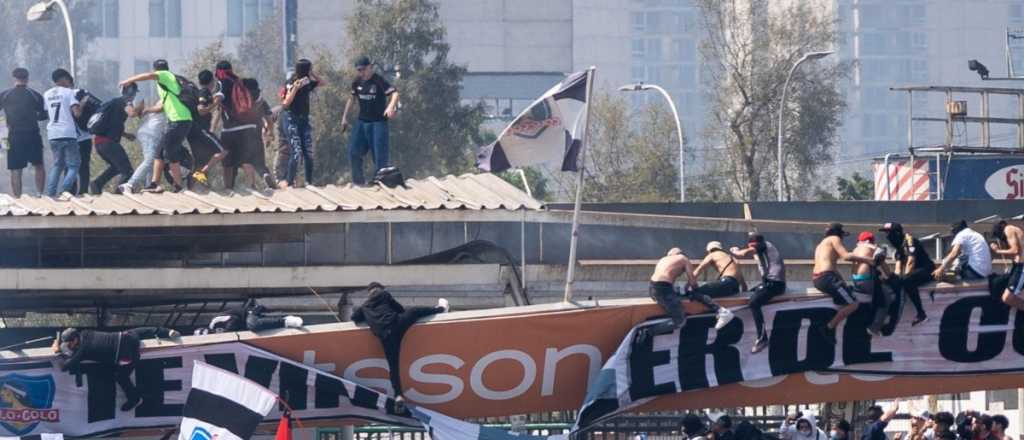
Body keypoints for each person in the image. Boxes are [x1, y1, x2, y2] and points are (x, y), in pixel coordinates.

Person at [352, 282, 448, 409]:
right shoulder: (384, 294)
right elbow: (400, 309)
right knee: (414, 311)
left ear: (369, 292)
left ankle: (398, 395)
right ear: (380, 289)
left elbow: (354, 317)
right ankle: (440, 309)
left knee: (393, 366)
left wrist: (369, 317)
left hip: (385, 336)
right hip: (397, 323)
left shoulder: (364, 307)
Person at [52, 326, 180, 411]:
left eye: (69, 343)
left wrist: (57, 352)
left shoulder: (83, 350)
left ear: (75, 339)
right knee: (137, 331)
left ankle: (134, 398)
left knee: (120, 376)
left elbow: (65, 367)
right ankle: (166, 331)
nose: (68, 346)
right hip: (126, 337)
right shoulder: (86, 333)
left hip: (126, 355)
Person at [118, 60, 192, 193]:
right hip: (179, 121)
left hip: (179, 121)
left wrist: (127, 81)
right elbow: (161, 106)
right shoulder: (167, 86)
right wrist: (146, 110)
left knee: (167, 153)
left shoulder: (165, 76)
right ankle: (155, 184)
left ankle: (176, 186)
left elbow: (147, 75)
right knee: (161, 153)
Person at [643, 248, 735, 342]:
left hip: (652, 288)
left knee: (678, 295)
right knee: (680, 321)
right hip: (663, 290)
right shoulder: (683, 259)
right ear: (680, 253)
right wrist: (696, 292)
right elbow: (692, 280)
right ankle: (648, 332)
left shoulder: (662, 260)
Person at [812, 223, 876, 345]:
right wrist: (868, 260)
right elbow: (846, 256)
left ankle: (839, 301)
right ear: (838, 234)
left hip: (818, 279)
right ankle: (829, 328)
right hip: (826, 277)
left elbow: (833, 269)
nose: (842, 239)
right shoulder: (834, 239)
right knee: (853, 304)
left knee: (847, 296)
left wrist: (843, 284)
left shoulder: (821, 244)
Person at [216, 61, 275, 189]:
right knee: (250, 160)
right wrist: (270, 131)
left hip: (228, 130)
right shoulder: (250, 93)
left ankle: (228, 188)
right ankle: (256, 182)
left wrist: (212, 126)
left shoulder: (226, 86)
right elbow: (269, 117)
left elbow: (220, 108)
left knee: (228, 163)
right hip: (250, 131)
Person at [342, 56, 399, 185]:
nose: (361, 72)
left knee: (379, 156)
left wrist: (390, 106)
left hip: (378, 123)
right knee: (354, 152)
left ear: (370, 67)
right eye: (358, 70)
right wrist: (344, 117)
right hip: (362, 122)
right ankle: (358, 181)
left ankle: (379, 181)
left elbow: (395, 93)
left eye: (363, 69)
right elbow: (351, 98)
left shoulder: (378, 81)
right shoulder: (357, 82)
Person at [731, 233, 786, 353]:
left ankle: (762, 338)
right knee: (751, 293)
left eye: (753, 246)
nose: (753, 249)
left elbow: (745, 253)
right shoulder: (764, 249)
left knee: (753, 303)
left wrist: (735, 251)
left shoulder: (764, 245)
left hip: (775, 284)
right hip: (770, 283)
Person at [0, 67, 47, 197]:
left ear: (13, 78)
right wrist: (32, 117)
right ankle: (39, 195)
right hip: (32, 134)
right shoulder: (35, 95)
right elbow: (43, 115)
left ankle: (18, 198)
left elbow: (0, 118)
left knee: (15, 168)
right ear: (27, 78)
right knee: (38, 164)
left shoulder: (4, 95)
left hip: (14, 135)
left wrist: (3, 135)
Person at [43, 68, 87, 197]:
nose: (70, 83)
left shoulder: (47, 94)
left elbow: (47, 113)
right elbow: (77, 114)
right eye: (69, 80)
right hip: (67, 133)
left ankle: (50, 194)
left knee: (57, 165)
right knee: (74, 165)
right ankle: (64, 190)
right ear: (64, 79)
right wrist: (82, 104)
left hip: (53, 133)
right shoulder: (68, 92)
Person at [89, 83, 139, 193]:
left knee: (116, 167)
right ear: (131, 92)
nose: (135, 96)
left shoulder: (113, 103)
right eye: (134, 93)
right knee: (128, 171)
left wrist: (125, 135)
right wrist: (141, 110)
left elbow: (112, 124)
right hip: (109, 143)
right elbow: (131, 113)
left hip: (99, 143)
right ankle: (119, 195)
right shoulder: (124, 101)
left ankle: (97, 184)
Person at [880, 222, 932, 326]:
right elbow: (898, 268)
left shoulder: (909, 241)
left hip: (926, 270)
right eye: (886, 233)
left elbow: (911, 262)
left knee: (907, 281)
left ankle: (921, 314)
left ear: (897, 233)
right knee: (894, 281)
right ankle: (888, 312)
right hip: (915, 272)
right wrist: (893, 279)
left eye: (889, 233)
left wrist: (904, 278)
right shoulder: (899, 248)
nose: (887, 236)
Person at [282, 59, 321, 187]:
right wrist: (295, 88)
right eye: (309, 69)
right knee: (296, 152)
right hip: (291, 119)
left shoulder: (308, 81)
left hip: (304, 120)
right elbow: (286, 103)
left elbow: (322, 82)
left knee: (308, 152)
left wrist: (313, 73)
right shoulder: (291, 82)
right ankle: (289, 182)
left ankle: (309, 182)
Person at [186, 69, 228, 186]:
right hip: (200, 130)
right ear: (212, 81)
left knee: (201, 160)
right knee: (223, 151)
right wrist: (215, 103)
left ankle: (194, 185)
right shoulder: (204, 92)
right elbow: (201, 110)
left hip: (193, 132)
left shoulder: (203, 92)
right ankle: (200, 174)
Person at [851, 231, 895, 337]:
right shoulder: (872, 247)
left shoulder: (855, 249)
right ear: (871, 240)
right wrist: (891, 277)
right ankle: (874, 327)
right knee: (887, 296)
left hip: (856, 280)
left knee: (877, 293)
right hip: (866, 280)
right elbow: (883, 264)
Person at [120, 100, 167, 194]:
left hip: (153, 134)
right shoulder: (167, 97)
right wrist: (146, 110)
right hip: (150, 133)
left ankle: (149, 186)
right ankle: (129, 184)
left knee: (153, 162)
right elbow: (160, 107)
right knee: (150, 160)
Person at [199, 299, 302, 334]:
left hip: (246, 314)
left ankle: (286, 321)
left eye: (207, 332)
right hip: (245, 324)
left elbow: (234, 319)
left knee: (253, 325)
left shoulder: (214, 322)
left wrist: (227, 331)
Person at [990, 220, 1024, 311]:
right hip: (1018, 266)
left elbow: (1015, 250)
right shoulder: (1015, 230)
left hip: (1021, 267)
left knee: (1007, 298)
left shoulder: (1008, 229)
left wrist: (997, 251)